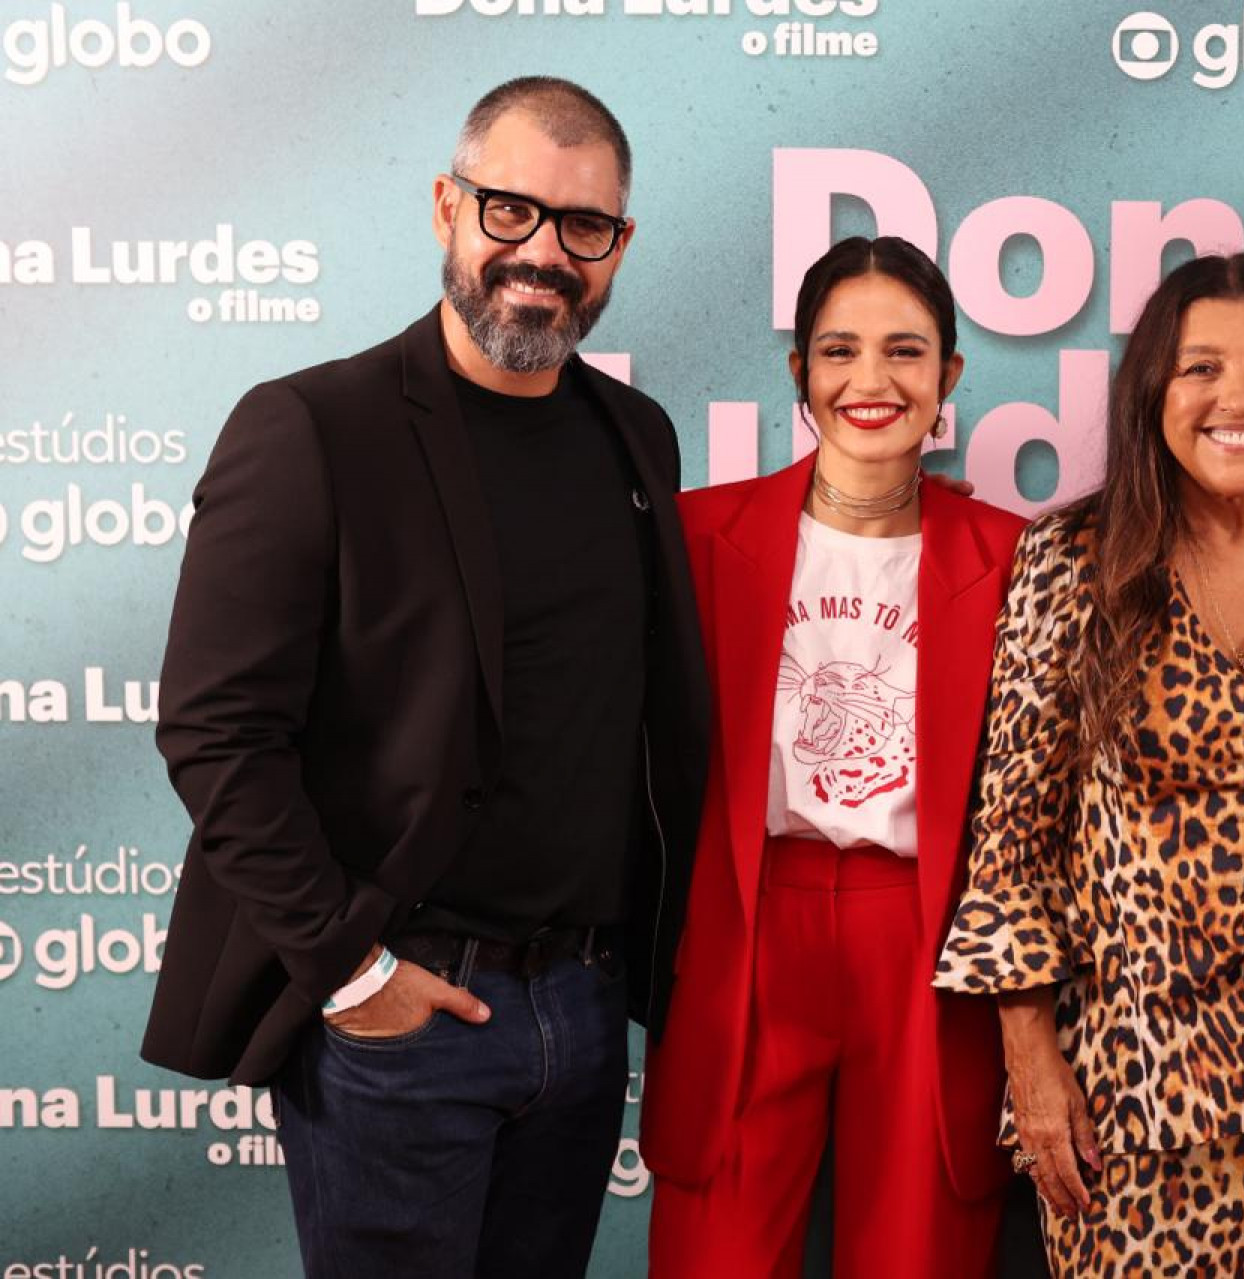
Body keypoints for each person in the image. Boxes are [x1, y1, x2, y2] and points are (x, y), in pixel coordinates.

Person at [139, 78, 709, 1278]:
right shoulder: (312, 429)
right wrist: (354, 971)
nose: (544, 253)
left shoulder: (638, 440)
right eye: (511, 210)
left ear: (619, 246)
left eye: (583, 227)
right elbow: (214, 732)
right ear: (447, 207)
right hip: (402, 1021)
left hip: (584, 1016)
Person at [935, 252, 1244, 1276]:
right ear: (1153, 390)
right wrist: (1031, 1059)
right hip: (1133, 1078)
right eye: (1201, 367)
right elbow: (1014, 835)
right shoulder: (1074, 559)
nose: (1237, 398)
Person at [639, 235, 1026, 1277]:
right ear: (799, 374)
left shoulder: (1016, 558)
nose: (871, 380)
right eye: (838, 349)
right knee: (714, 1248)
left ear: (948, 375)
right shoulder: (697, 538)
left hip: (929, 942)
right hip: (750, 926)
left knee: (920, 1248)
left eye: (905, 351)